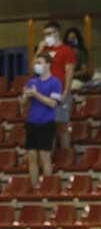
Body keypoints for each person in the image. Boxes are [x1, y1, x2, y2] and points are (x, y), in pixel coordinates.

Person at [19, 54, 61, 187]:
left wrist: (36, 94)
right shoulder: (32, 82)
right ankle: (34, 186)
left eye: (40, 62)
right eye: (36, 62)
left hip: (46, 122)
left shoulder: (55, 82)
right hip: (32, 122)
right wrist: (24, 98)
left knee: (44, 156)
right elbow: (23, 104)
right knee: (32, 156)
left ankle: (48, 187)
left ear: (48, 64)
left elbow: (53, 103)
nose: (37, 65)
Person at [37, 21, 75, 150]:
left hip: (60, 92)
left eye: (49, 34)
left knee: (62, 127)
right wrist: (40, 49)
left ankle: (66, 157)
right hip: (45, 94)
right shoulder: (45, 51)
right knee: (48, 128)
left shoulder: (66, 50)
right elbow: (34, 69)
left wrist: (65, 92)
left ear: (56, 33)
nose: (46, 37)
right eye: (44, 34)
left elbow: (69, 72)